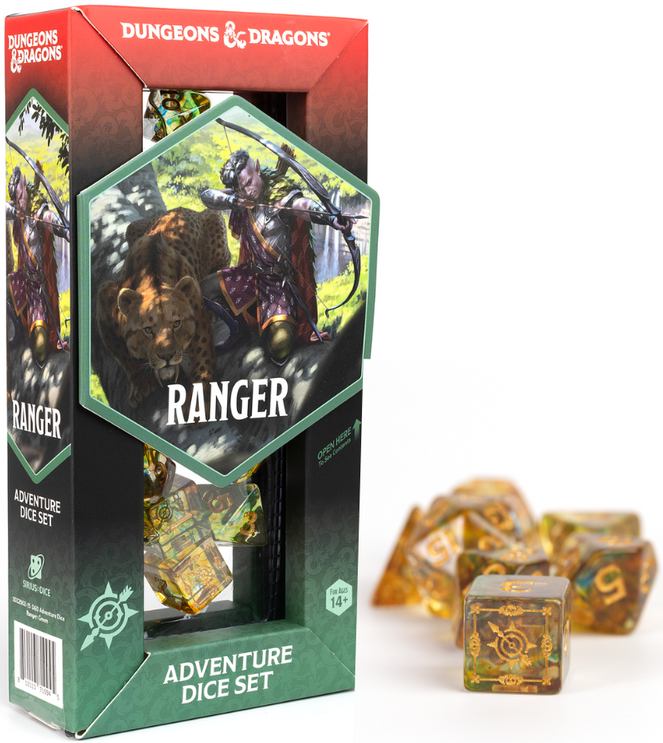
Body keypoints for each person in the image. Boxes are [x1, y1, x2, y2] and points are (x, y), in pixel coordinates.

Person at [200, 149, 353, 365]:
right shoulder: (241, 197)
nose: (248, 191)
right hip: (251, 275)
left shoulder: (280, 196)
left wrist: (331, 218)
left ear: (258, 168)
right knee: (204, 289)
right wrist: (233, 200)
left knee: (279, 346)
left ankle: (271, 327)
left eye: (249, 182)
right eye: (241, 188)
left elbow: (303, 206)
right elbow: (207, 196)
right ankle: (238, 330)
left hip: (278, 286)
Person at [6, 165, 69, 366]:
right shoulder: (17, 212)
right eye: (16, 199)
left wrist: (65, 231)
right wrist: (14, 210)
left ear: (26, 188)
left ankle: (33, 329)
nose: (20, 202)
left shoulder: (36, 212)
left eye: (21, 196)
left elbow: (49, 219)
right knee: (5, 291)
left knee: (40, 349)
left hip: (39, 292)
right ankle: (18, 329)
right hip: (24, 283)